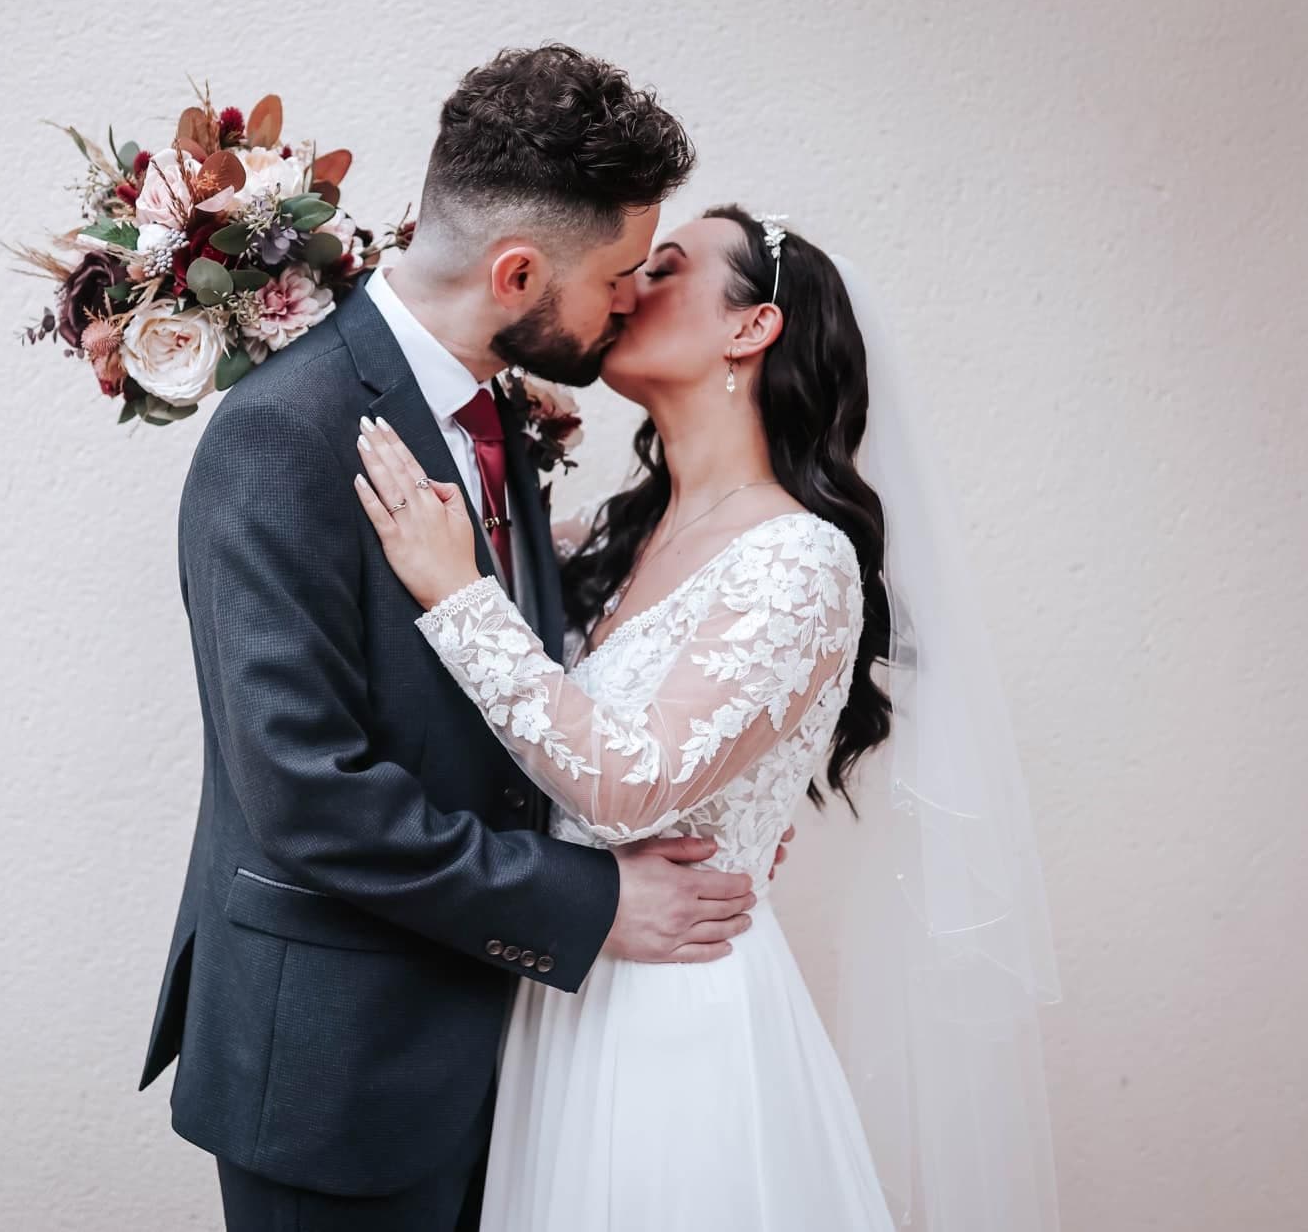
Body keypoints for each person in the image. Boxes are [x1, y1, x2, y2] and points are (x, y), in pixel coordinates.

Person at [139, 45, 770, 1231]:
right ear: (516, 271)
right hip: (338, 1070)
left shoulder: (493, 412)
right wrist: (589, 899)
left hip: (507, 1058)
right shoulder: (281, 435)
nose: (628, 300)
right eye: (617, 275)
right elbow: (308, 793)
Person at [351, 205, 1062, 1229]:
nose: (625, 285)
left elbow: (628, 785)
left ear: (750, 326)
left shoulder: (799, 560)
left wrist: (455, 590)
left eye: (665, 268)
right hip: (558, 991)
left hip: (672, 1018)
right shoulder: (604, 536)